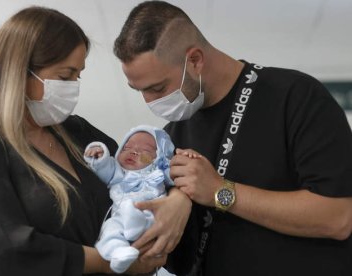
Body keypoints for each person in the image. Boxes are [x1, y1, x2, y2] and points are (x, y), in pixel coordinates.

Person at [113, 1, 352, 275]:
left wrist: (220, 192)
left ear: (195, 60)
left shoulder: (295, 97)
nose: (149, 101)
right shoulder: (168, 139)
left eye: (157, 88)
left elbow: (337, 217)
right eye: (138, 90)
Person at [0, 6, 175, 276]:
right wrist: (107, 262)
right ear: (21, 70)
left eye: (78, 75)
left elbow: (148, 169)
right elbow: (1, 253)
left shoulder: (75, 132)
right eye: (65, 76)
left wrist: (176, 203)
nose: (74, 86)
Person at [84, 125, 177, 273]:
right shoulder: (118, 173)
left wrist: (186, 159)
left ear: (158, 158)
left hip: (151, 221)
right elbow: (104, 167)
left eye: (145, 151)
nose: (133, 152)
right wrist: (98, 155)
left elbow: (180, 174)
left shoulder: (159, 174)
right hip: (121, 218)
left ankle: (132, 229)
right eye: (126, 148)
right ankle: (118, 253)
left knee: (134, 212)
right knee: (111, 228)